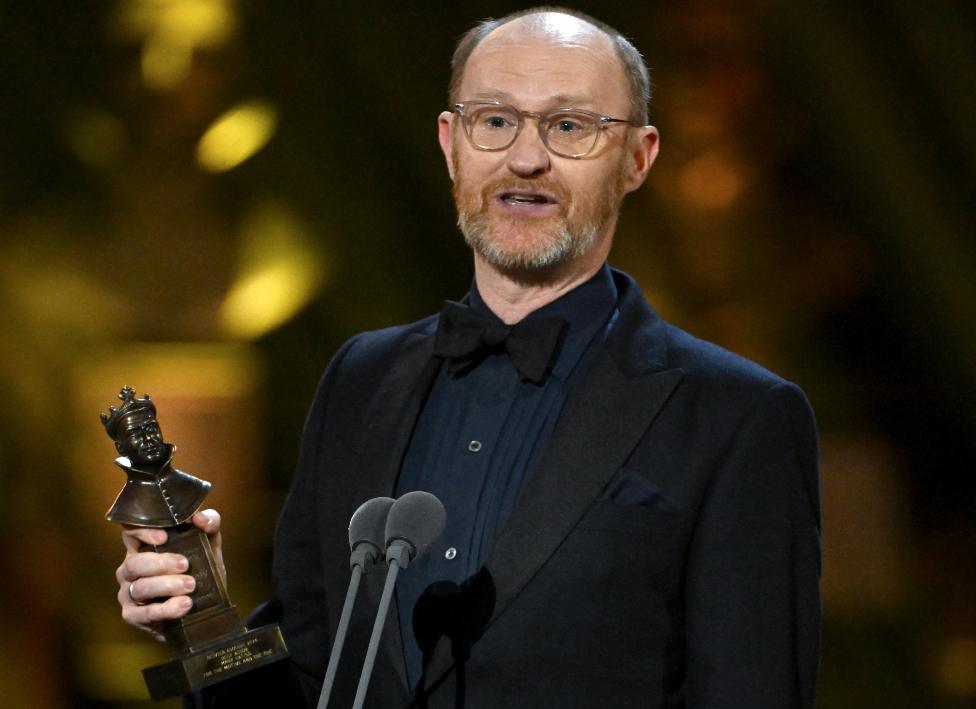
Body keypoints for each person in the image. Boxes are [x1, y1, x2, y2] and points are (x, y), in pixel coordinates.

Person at [115, 7, 821, 708]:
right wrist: (199, 621)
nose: (525, 157)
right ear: (451, 143)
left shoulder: (738, 417)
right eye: (495, 120)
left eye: (570, 126)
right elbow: (312, 678)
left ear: (638, 158)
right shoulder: (361, 379)